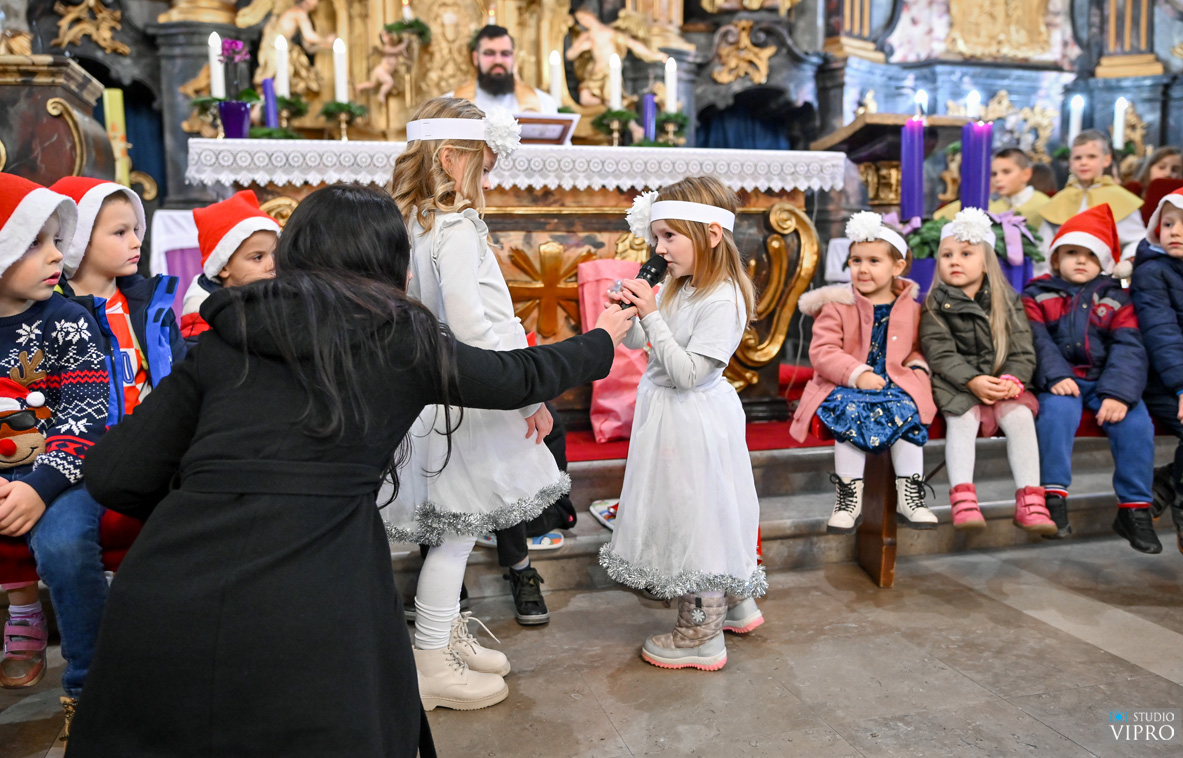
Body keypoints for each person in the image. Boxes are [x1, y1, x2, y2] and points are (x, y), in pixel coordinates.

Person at [64, 183, 632, 756]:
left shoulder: (228, 337)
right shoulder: (397, 338)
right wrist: (602, 338)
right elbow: (516, 376)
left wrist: (213, 492)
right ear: (388, 261)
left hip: (168, 596)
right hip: (318, 596)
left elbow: (114, 474)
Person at [384, 97, 566, 708]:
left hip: (436, 396)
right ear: (449, 158)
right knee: (457, 534)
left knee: (452, 532)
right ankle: (431, 660)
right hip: (473, 399)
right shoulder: (456, 228)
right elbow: (472, 327)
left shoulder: (413, 222)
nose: (487, 182)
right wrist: (526, 395)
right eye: (482, 168)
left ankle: (443, 637)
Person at [600, 176, 764, 671]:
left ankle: (700, 635)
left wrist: (651, 316)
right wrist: (631, 314)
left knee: (698, 517)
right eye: (657, 237)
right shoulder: (680, 284)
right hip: (667, 413)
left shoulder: (723, 298)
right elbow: (646, 348)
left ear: (711, 235)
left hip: (693, 419)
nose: (659, 248)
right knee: (691, 507)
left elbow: (689, 374)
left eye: (670, 236)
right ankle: (736, 603)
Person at [0, 174, 110, 732]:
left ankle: (92, 692)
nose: (56, 255)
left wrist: (39, 487)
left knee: (65, 546)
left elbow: (86, 416)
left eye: (56, 241)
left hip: (64, 475)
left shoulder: (67, 321)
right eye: (34, 243)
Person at [1022, 204, 1159, 552]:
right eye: (1071, 253)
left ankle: (1135, 508)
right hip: (1060, 379)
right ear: (1055, 259)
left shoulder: (1116, 296)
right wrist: (1054, 374)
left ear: (1105, 261)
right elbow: (1036, 339)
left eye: (1091, 254)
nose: (1081, 260)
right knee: (1056, 415)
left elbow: (1129, 345)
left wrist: (1119, 393)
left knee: (1136, 424)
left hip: (1105, 380)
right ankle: (1053, 496)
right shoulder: (1036, 293)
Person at [790, 212, 937, 533]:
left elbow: (916, 347)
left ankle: (910, 493)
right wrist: (858, 374)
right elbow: (823, 351)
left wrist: (916, 368)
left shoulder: (911, 308)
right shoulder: (838, 304)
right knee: (849, 411)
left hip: (895, 383)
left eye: (874, 261)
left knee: (907, 409)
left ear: (898, 267)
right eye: (856, 260)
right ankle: (848, 497)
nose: (863, 269)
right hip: (845, 384)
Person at [921, 207, 1051, 534]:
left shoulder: (1007, 301)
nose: (954, 261)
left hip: (1001, 380)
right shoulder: (935, 303)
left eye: (965, 254)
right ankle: (963, 498)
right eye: (947, 255)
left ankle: (1031, 500)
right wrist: (972, 380)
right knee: (962, 419)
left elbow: (1022, 348)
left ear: (986, 262)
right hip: (957, 383)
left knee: (1020, 417)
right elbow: (940, 352)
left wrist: (1013, 379)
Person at [51, 176, 186, 416]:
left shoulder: (152, 305)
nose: (136, 242)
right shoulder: (55, 314)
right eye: (120, 232)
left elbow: (182, 374)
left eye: (136, 230)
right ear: (78, 240)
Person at [1131, 187, 1183, 559]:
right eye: (1168, 223)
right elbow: (1163, 335)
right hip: (1166, 382)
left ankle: (1168, 480)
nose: (1174, 231)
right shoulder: (1152, 272)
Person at [1037, 131, 1146, 274]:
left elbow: (1136, 240)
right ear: (1070, 162)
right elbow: (1044, 247)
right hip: (1064, 276)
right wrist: (1045, 275)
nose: (1083, 162)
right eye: (1078, 158)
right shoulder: (1059, 200)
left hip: (1107, 275)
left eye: (1091, 156)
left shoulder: (1120, 199)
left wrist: (1126, 262)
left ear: (1106, 160)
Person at [180, 190, 280, 345]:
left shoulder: (279, 292)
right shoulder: (201, 307)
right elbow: (196, 350)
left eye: (275, 254)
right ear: (223, 268)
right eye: (258, 257)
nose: (272, 265)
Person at [444, 25, 557, 114]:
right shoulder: (449, 106)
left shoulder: (544, 104)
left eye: (505, 54)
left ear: (513, 57)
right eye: (489, 53)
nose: (498, 61)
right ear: (475, 58)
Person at [935, 147, 1052, 228]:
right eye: (994, 174)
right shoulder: (991, 207)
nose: (998, 179)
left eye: (1006, 172)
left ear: (1026, 174)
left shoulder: (1044, 205)